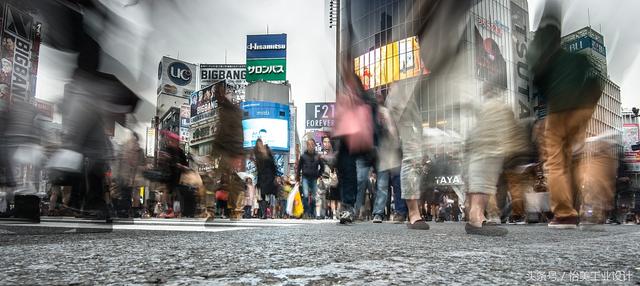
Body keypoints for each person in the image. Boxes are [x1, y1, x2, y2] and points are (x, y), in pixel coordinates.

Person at [527, 1, 604, 229]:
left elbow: (538, 78)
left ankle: (564, 214)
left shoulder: (541, 51)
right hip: (583, 109)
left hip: (559, 108)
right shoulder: (574, 58)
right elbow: (595, 81)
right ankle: (581, 208)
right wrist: (587, 106)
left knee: (556, 161)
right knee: (572, 158)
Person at [296, 139, 325, 219]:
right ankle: (306, 212)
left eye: (312, 144)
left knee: (313, 197)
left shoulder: (317, 156)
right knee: (305, 195)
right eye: (309, 144)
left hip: (314, 178)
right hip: (305, 177)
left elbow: (322, 167)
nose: (310, 146)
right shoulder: (303, 156)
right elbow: (299, 168)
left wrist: (319, 174)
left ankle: (312, 213)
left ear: (314, 145)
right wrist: (298, 178)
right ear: (307, 145)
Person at [254, 139, 278, 219]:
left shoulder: (268, 151)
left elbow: (273, 165)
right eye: (258, 145)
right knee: (262, 194)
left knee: (269, 193)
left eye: (260, 144)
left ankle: (268, 212)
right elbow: (258, 167)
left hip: (269, 176)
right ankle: (264, 213)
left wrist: (275, 175)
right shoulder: (257, 154)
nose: (259, 146)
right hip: (261, 176)